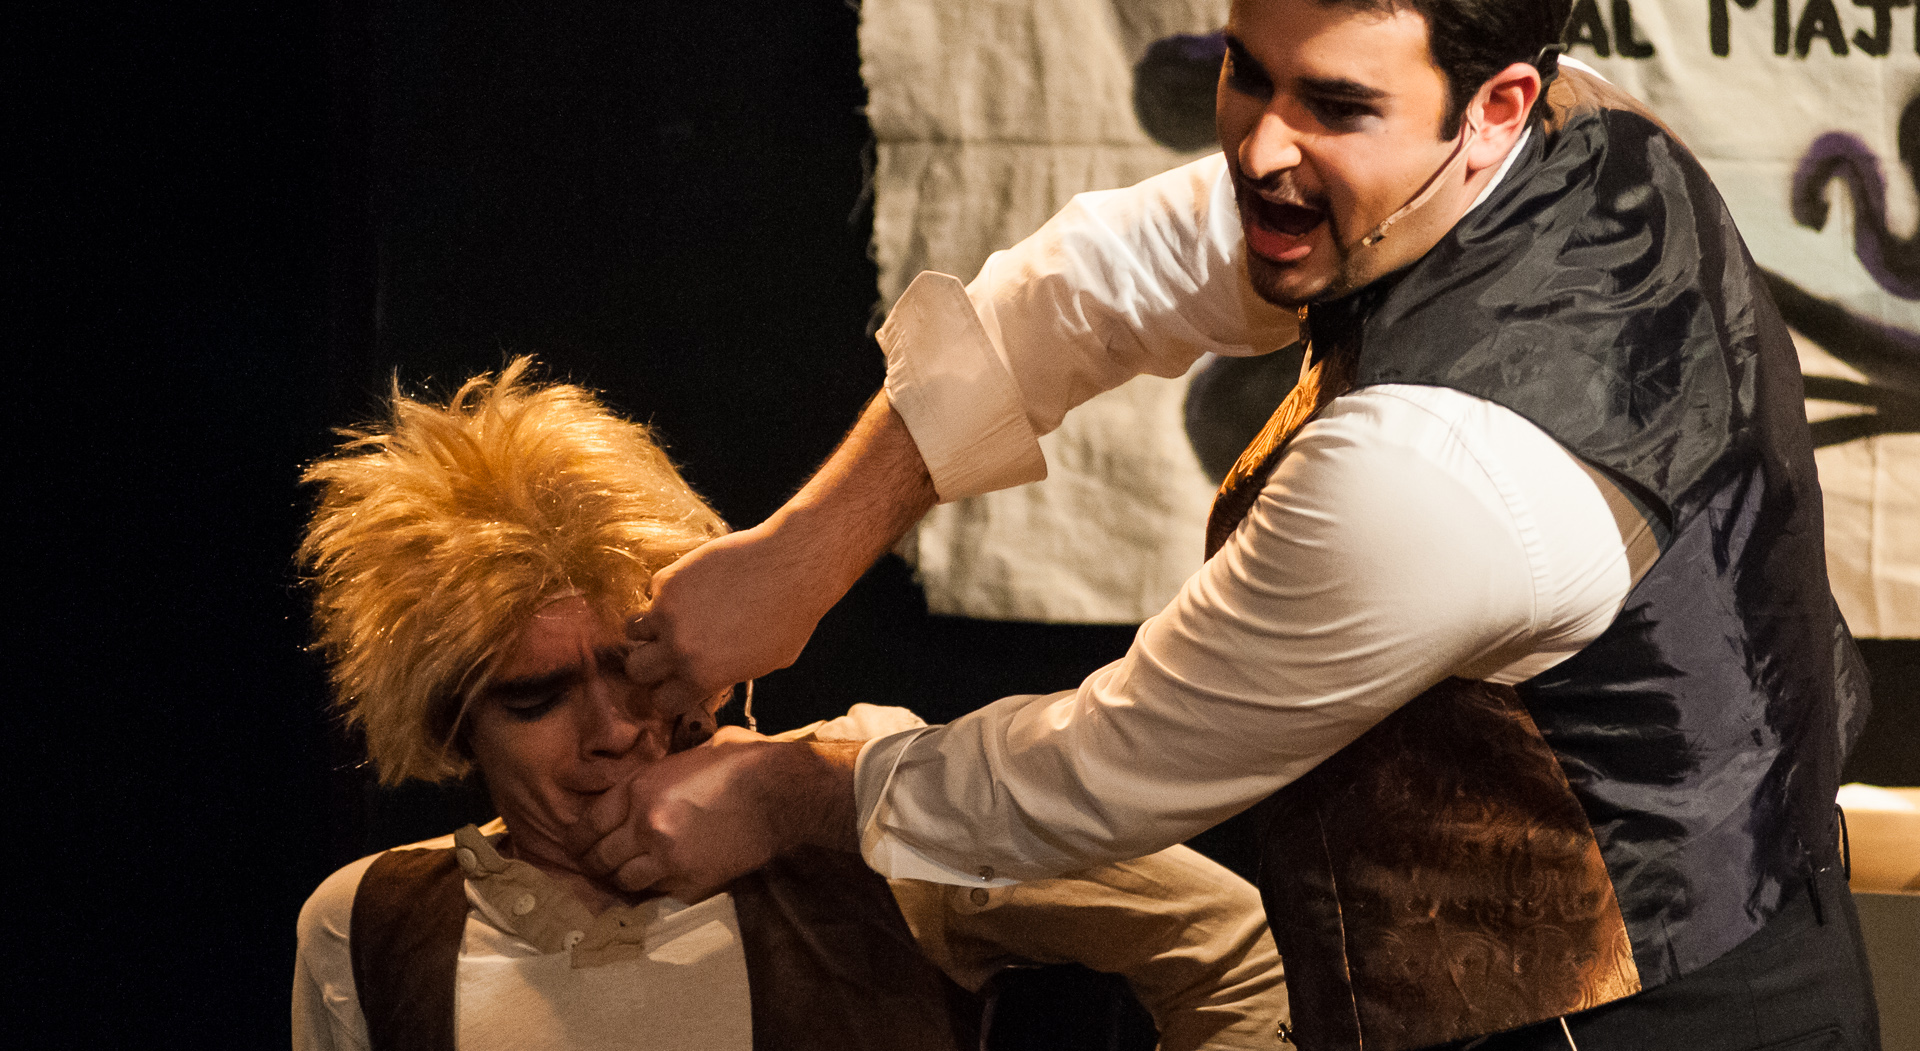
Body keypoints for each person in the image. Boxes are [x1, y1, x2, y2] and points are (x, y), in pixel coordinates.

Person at [573, 0, 1881, 1051]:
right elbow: (1101, 282)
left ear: (1494, 105)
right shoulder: (1572, 131)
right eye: (1248, 74)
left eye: (1336, 105)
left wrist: (796, 789)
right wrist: (804, 552)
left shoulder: (1425, 478)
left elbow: (1103, 769)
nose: (1261, 150)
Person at [291, 359, 1288, 1051]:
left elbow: (1237, 949)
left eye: (632, 667)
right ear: (453, 719)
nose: (612, 730)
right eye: (534, 698)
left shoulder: (848, 803)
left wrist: (807, 794)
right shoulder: (373, 924)